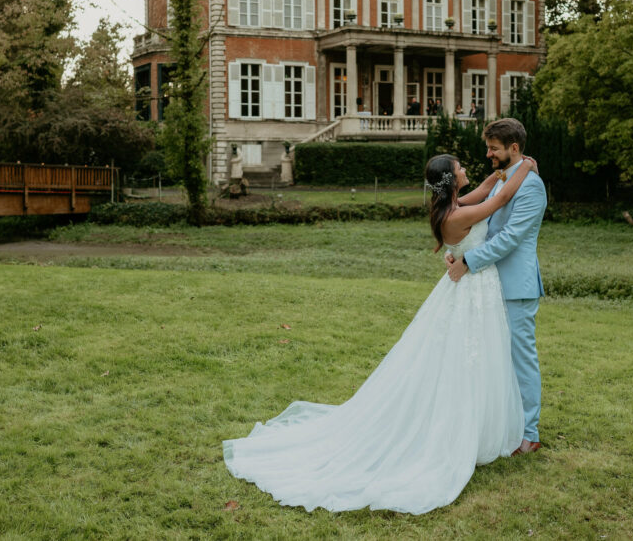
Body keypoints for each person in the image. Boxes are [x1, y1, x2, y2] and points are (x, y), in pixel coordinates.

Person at [223, 152, 539, 514]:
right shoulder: (459, 213)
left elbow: (486, 189)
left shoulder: (450, 205)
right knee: (463, 360)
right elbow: (497, 201)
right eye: (459, 168)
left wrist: (500, 173)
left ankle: (478, 425)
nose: (465, 169)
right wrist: (525, 168)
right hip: (470, 291)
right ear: (451, 180)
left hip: (470, 289)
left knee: (468, 358)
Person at [445, 118, 547, 456]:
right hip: (488, 285)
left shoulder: (531, 186)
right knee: (493, 359)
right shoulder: (504, 178)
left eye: (494, 148)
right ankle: (502, 425)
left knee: (521, 360)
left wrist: (469, 262)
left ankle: (529, 434)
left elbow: (511, 238)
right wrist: (455, 250)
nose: (488, 154)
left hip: (516, 286)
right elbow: (478, 221)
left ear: (513, 148)